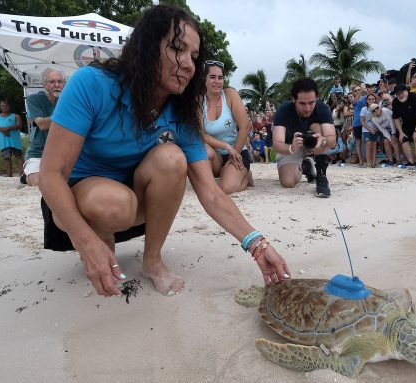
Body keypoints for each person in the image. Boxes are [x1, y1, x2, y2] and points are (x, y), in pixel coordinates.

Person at [38, 5, 290, 298]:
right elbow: (49, 175)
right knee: (111, 202)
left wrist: (257, 244)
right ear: (146, 46)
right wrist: (85, 242)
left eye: (194, 57)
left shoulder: (180, 113)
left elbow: (211, 193)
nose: (188, 64)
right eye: (177, 49)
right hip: (75, 203)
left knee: (172, 158)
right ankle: (99, 244)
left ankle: (152, 259)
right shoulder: (91, 84)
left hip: (135, 201)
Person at [272, 77, 337, 198]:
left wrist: (322, 140)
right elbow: (277, 143)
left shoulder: (322, 108)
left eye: (311, 102)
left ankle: (321, 175)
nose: (307, 108)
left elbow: (332, 140)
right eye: (302, 103)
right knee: (288, 182)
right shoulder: (283, 110)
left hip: (315, 145)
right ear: (293, 100)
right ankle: (306, 165)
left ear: (316, 98)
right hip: (291, 146)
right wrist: (292, 148)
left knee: (316, 127)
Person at [202, 61, 252, 194]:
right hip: (216, 156)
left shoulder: (230, 95)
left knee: (228, 188)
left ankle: (246, 176)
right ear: (204, 79)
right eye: (212, 77)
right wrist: (226, 147)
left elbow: (245, 126)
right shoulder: (198, 102)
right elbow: (202, 135)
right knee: (203, 149)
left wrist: (234, 151)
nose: (217, 81)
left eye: (220, 77)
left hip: (238, 150)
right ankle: (225, 173)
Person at [24, 68, 66, 186]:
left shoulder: (68, 100)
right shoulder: (34, 99)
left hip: (61, 154)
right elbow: (42, 124)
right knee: (37, 182)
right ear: (44, 85)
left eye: (59, 81)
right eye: (52, 82)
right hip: (37, 152)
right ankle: (26, 176)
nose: (56, 85)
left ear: (64, 84)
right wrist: (69, 115)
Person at [391, 83, 416, 167]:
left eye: (402, 92)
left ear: (406, 91)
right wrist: (401, 132)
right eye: (397, 94)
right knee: (403, 138)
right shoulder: (395, 102)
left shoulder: (415, 97)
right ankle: (411, 161)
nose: (400, 95)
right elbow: (396, 119)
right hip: (407, 122)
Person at [0, 100, 24, 177]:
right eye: (2, 106)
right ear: (0, 107)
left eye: (6, 106)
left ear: (9, 106)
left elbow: (19, 125)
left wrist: (8, 128)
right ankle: (9, 176)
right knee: (6, 158)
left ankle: (22, 175)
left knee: (19, 157)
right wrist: (3, 130)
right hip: (4, 142)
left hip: (15, 142)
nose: (4, 107)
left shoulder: (16, 116)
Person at [359, 93, 379, 167]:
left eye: (373, 99)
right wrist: (369, 128)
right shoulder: (364, 109)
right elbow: (362, 121)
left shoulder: (378, 108)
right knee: (368, 144)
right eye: (369, 99)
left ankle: (373, 162)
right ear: (366, 100)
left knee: (374, 145)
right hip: (366, 130)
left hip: (375, 129)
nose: (371, 100)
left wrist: (375, 128)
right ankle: (368, 162)